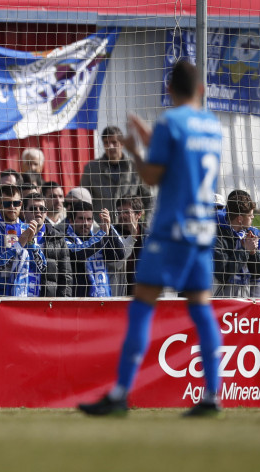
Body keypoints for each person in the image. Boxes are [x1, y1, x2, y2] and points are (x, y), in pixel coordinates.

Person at [78, 58, 224, 417]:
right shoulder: (212, 125)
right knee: (202, 310)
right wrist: (150, 139)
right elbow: (184, 163)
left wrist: (135, 151)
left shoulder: (170, 122)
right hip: (203, 230)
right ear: (201, 90)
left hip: (171, 230)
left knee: (142, 305)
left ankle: (120, 393)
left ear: (169, 90)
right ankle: (211, 397)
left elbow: (152, 177)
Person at [0, 184, 42, 296]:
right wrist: (20, 244)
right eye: (7, 204)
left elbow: (40, 267)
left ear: (21, 204)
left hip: (23, 296)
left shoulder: (27, 229)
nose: (12, 207)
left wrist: (30, 243)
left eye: (16, 203)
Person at [80, 126, 153, 221]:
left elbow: (149, 199)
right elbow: (83, 200)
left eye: (114, 142)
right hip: (102, 228)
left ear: (122, 143)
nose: (110, 146)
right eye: (106, 143)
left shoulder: (135, 167)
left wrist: (145, 224)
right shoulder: (91, 169)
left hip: (130, 228)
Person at [64, 200, 124, 297]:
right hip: (78, 301)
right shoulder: (64, 240)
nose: (86, 223)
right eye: (81, 219)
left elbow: (119, 254)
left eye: (89, 219)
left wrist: (109, 229)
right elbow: (79, 252)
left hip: (102, 301)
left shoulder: (98, 239)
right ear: (71, 220)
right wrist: (102, 235)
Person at [213, 190, 260, 298]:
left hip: (243, 301)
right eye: (250, 215)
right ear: (240, 219)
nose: (253, 218)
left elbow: (258, 273)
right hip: (219, 301)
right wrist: (244, 250)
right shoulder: (217, 237)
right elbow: (223, 274)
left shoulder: (248, 234)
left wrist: (252, 253)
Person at [24, 192, 72, 298]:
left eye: (42, 209)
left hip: (47, 303)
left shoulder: (58, 239)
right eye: (33, 208)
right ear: (24, 211)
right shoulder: (15, 235)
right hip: (19, 300)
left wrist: (62, 305)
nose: (38, 212)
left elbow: (66, 278)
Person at [114, 195, 148, 295]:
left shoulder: (148, 237)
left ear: (139, 214)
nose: (122, 216)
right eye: (119, 212)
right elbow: (116, 264)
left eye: (126, 212)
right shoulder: (112, 234)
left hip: (143, 293)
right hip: (118, 293)